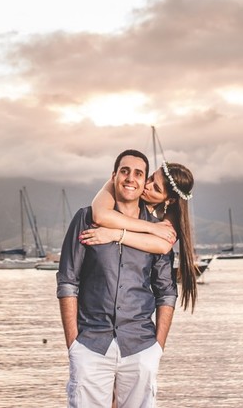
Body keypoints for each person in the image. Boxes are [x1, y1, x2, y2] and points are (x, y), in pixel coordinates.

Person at [57, 150, 177, 408]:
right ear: (114, 176)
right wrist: (74, 344)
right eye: (124, 171)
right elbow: (68, 282)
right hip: (90, 344)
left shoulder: (158, 232)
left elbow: (166, 291)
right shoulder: (86, 218)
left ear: (144, 182)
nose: (130, 178)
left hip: (141, 346)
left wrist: (157, 348)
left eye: (138, 173)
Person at [80, 161, 197, 312]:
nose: (147, 185)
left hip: (136, 313)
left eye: (156, 188)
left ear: (170, 200)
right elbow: (100, 215)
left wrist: (115, 234)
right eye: (152, 177)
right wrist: (151, 227)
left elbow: (163, 245)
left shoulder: (172, 213)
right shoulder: (121, 182)